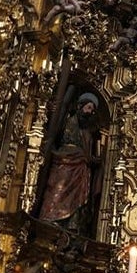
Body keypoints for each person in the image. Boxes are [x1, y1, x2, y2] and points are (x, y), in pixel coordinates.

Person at [37, 92, 100, 231]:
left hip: (80, 169)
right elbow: (55, 138)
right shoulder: (67, 121)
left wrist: (90, 159)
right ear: (80, 106)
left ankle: (72, 224)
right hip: (64, 163)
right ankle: (51, 217)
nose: (90, 112)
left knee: (77, 197)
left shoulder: (88, 131)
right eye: (88, 108)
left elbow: (88, 152)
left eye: (92, 110)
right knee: (57, 189)